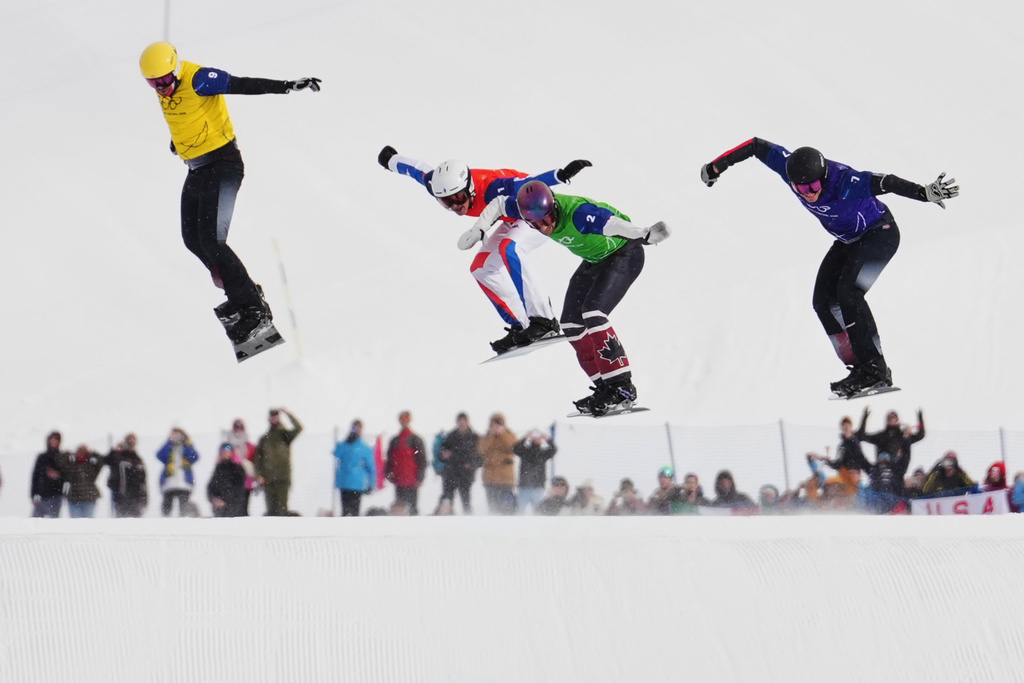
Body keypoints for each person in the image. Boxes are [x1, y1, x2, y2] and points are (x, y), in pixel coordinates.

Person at [700, 140, 959, 397]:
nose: (807, 193)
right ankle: (859, 368)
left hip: (880, 233)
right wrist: (716, 167)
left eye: (813, 186)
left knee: (848, 290)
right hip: (848, 240)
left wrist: (924, 193)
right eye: (800, 188)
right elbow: (756, 146)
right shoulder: (789, 166)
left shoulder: (845, 182)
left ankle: (875, 369)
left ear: (823, 178)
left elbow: (887, 181)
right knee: (822, 301)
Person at [138, 41, 320, 345]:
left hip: (223, 164)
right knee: (192, 239)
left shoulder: (198, 79)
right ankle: (241, 293)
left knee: (212, 240)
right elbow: (184, 117)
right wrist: (179, 143)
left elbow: (242, 85)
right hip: (196, 168)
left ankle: (254, 309)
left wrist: (287, 86)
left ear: (176, 70)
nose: (162, 88)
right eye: (153, 84)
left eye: (166, 81)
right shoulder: (165, 89)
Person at [467, 181, 670, 415]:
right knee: (572, 324)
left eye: (547, 219)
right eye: (535, 224)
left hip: (624, 253)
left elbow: (614, 223)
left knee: (594, 314)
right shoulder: (526, 208)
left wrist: (644, 234)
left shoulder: (578, 214)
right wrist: (480, 228)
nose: (544, 228)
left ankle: (622, 388)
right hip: (595, 260)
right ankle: (604, 387)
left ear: (554, 206)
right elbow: (500, 203)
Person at [378, 147, 593, 352]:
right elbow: (418, 169)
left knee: (510, 249)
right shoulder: (438, 184)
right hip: (508, 215)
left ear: (470, 188)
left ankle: (544, 321)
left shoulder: (493, 187)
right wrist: (390, 160)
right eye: (446, 202)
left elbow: (527, 183)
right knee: (481, 268)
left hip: (537, 211)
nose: (455, 207)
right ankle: (523, 324)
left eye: (459, 199)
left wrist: (560, 174)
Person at [254, 408, 303, 516]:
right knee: (271, 512)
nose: (274, 418)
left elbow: (299, 428)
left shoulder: (284, 435)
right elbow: (258, 460)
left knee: (282, 511)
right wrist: (259, 475)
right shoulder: (264, 439)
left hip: (282, 478)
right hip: (269, 480)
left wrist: (288, 414)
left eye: (276, 416)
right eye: (272, 416)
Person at [437, 412, 481, 514]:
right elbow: (441, 453)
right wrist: (444, 454)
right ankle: (447, 521)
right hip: (450, 474)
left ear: (468, 422)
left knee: (466, 502)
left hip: (466, 475)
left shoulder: (475, 437)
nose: (461, 423)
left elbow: (480, 458)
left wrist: (471, 464)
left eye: (464, 421)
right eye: (459, 421)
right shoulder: (450, 436)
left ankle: (469, 522)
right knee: (447, 501)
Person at [384, 411, 427, 515]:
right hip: (399, 481)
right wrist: (388, 475)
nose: (404, 422)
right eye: (402, 419)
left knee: (412, 509)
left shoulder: (416, 440)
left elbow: (422, 460)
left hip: (412, 481)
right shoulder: (394, 440)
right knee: (399, 509)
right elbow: (389, 460)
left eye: (406, 419)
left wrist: (420, 478)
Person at [333, 420, 376, 517]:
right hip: (344, 483)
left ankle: (354, 530)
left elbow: (371, 468)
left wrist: (371, 484)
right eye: (354, 428)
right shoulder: (345, 445)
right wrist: (346, 441)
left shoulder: (364, 447)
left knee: (354, 511)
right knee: (345, 511)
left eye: (358, 428)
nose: (356, 430)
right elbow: (336, 453)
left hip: (357, 484)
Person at [477, 413, 517, 515]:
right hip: (490, 479)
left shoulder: (509, 435)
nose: (496, 426)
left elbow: (513, 448)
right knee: (493, 509)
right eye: (494, 423)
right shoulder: (486, 437)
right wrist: (491, 435)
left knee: (507, 508)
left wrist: (502, 433)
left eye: (499, 423)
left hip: (506, 480)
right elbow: (481, 449)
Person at [156, 427, 199, 517]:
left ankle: (183, 523)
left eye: (178, 434)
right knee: (167, 508)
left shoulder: (186, 446)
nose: (176, 437)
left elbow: (194, 457)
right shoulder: (169, 447)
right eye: (173, 434)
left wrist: (186, 443)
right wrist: (169, 442)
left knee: (183, 508)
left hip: (184, 483)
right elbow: (160, 456)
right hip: (169, 483)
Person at [513, 428, 557, 514]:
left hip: (538, 488)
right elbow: (515, 448)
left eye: (539, 437)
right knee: (519, 512)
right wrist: (525, 437)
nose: (537, 439)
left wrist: (548, 439)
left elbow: (554, 450)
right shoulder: (525, 451)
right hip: (524, 487)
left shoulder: (543, 453)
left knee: (539, 513)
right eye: (535, 437)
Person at [858, 407, 925, 463]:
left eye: (893, 418)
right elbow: (861, 436)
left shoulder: (903, 436)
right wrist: (864, 418)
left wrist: (920, 417)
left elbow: (921, 435)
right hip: (882, 469)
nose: (891, 420)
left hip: (898, 470)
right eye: (889, 418)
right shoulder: (881, 436)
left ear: (897, 420)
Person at [106, 434, 149, 518]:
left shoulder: (138, 459)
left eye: (133, 441)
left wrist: (145, 499)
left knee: (136, 522)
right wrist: (115, 451)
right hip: (121, 496)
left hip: (137, 497)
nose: (131, 444)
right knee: (122, 522)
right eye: (129, 441)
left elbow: (143, 481)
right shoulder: (119, 456)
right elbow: (108, 461)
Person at [62, 445, 107, 518]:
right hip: (74, 499)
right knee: (75, 524)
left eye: (83, 453)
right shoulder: (71, 465)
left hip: (89, 499)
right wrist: (68, 454)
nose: (81, 455)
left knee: (87, 524)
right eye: (79, 452)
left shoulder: (91, 466)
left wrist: (93, 454)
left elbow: (102, 460)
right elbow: (62, 463)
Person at [223, 419, 257, 515]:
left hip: (246, 482)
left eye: (240, 427)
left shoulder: (250, 446)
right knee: (231, 509)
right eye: (236, 427)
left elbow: (256, 462)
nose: (238, 430)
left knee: (244, 508)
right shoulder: (228, 446)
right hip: (231, 483)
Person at [31, 431, 66, 518]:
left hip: (55, 496)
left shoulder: (62, 457)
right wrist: (33, 494)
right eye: (52, 439)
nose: (53, 442)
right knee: (35, 521)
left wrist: (58, 476)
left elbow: (68, 475)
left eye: (56, 440)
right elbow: (35, 476)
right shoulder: (42, 457)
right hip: (41, 496)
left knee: (52, 524)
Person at [207, 443, 248, 517]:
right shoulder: (218, 469)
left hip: (235, 511)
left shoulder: (238, 468)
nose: (225, 454)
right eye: (223, 452)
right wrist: (214, 499)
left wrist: (226, 502)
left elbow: (239, 490)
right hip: (220, 511)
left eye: (227, 451)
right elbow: (211, 487)